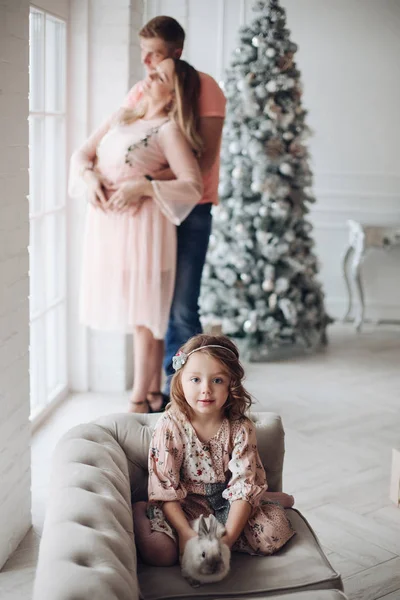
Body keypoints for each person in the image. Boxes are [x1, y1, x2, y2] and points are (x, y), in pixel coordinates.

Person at [69, 58, 204, 413]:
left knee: (147, 316)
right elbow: (82, 153)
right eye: (152, 71)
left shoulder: (167, 130)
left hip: (145, 231)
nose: (148, 77)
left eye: (159, 76)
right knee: (136, 314)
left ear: (174, 96)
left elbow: (193, 185)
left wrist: (145, 186)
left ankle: (136, 402)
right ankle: (150, 397)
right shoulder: (122, 116)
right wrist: (89, 178)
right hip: (111, 230)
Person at [124, 17, 226, 411]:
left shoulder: (206, 88)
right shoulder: (141, 90)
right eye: (143, 53)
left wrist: (146, 178)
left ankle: (182, 398)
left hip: (192, 210)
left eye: (156, 54)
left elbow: (203, 161)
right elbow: (122, 139)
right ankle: (150, 393)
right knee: (150, 304)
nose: (147, 62)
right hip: (149, 214)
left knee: (182, 307)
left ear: (177, 53)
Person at [132, 334, 295, 567]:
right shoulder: (170, 425)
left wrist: (227, 539)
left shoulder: (240, 427)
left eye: (217, 380)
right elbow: (166, 488)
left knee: (272, 534)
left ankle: (265, 499)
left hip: (227, 501)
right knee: (162, 553)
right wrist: (185, 533)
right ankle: (140, 511)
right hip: (183, 504)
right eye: (195, 379)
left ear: (231, 384)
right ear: (180, 382)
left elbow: (242, 486)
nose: (206, 390)